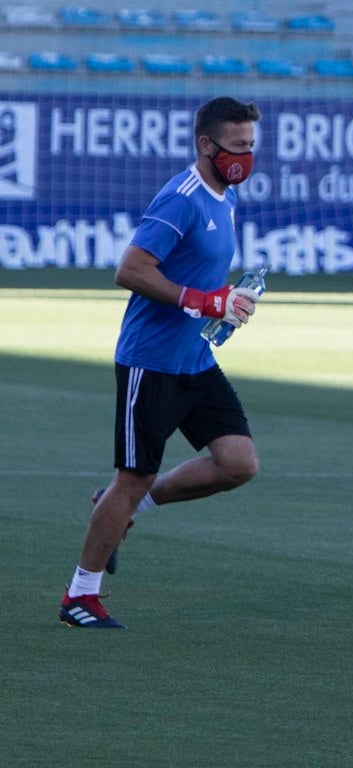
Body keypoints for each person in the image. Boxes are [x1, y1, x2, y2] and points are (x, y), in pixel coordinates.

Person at [58, 97, 264, 629]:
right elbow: (130, 270)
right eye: (238, 146)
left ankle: (124, 508)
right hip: (151, 362)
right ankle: (80, 596)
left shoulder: (226, 194)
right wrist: (204, 301)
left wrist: (227, 301)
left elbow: (195, 274)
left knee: (238, 463)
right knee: (134, 475)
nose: (247, 155)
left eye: (251, 145)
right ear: (206, 145)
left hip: (194, 357)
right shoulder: (182, 198)